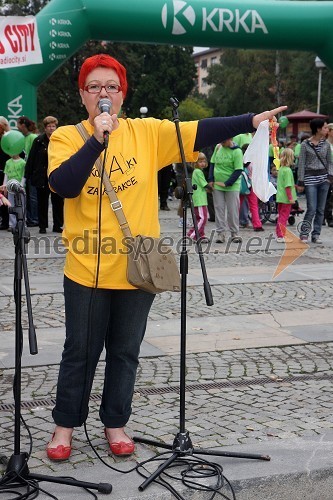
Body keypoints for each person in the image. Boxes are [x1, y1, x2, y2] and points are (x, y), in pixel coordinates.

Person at [45, 52, 287, 461]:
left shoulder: (148, 133)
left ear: (123, 94)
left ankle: (115, 422)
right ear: (82, 94)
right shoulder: (66, 137)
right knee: (80, 351)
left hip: (139, 266)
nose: (103, 94)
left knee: (126, 350)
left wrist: (251, 120)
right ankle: (65, 424)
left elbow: (199, 130)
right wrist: (95, 140)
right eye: (94, 87)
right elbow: (64, 185)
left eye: (111, 87)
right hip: (86, 268)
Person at [25, 116, 64, 234]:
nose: (51, 128)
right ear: (45, 128)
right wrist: (28, 174)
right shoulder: (38, 140)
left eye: (53, 126)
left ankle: (58, 225)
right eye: (49, 126)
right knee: (42, 202)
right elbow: (32, 158)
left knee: (58, 201)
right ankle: (42, 225)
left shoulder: (59, 139)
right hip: (41, 175)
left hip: (56, 174)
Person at [297, 118, 333, 243]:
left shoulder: (327, 144)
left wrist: (330, 177)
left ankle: (316, 234)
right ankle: (304, 233)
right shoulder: (304, 145)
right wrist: (300, 182)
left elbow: (330, 162)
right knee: (311, 208)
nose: (327, 130)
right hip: (309, 180)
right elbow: (301, 164)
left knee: (320, 209)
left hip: (324, 180)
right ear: (318, 129)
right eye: (325, 127)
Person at [209, 138, 243, 243]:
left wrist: (227, 183)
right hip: (217, 185)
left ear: (231, 139)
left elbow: (238, 170)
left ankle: (234, 233)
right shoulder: (218, 147)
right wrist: (210, 179)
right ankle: (220, 233)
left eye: (224, 141)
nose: (222, 143)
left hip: (232, 185)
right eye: (221, 141)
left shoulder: (237, 151)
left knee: (232, 210)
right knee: (219, 209)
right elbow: (212, 164)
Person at [17, 116, 38, 227]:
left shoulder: (33, 137)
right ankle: (29, 217)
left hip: (31, 170)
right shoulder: (22, 137)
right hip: (24, 170)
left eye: (18, 124)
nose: (17, 126)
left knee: (33, 196)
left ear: (23, 125)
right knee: (28, 195)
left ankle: (34, 218)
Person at [239, 144, 264, 232]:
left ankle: (233, 222)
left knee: (237, 205)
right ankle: (257, 225)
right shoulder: (254, 162)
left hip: (241, 185)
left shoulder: (240, 160)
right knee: (254, 206)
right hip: (251, 185)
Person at [187, 152, 210, 242]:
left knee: (199, 218)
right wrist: (211, 187)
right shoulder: (198, 171)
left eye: (204, 161)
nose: (203, 163)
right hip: (200, 199)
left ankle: (201, 235)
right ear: (195, 163)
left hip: (200, 199)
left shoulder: (198, 171)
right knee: (202, 218)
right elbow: (203, 183)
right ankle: (192, 234)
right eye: (200, 161)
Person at [275, 148, 297, 243]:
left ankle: (278, 234)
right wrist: (291, 198)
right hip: (286, 199)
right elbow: (288, 186)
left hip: (280, 197)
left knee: (281, 216)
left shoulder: (281, 169)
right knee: (284, 217)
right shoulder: (288, 171)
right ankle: (281, 235)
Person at [2, 152, 26, 230]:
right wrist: (4, 185)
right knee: (11, 205)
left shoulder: (23, 162)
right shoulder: (8, 162)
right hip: (10, 186)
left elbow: (23, 175)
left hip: (19, 186)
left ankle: (22, 223)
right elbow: (6, 174)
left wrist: (21, 185)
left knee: (22, 204)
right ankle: (12, 224)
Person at [0, 116, 10, 230]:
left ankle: (6, 221)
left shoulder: (7, 138)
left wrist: (7, 128)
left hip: (6, 170)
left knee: (4, 196)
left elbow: (20, 153)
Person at [323, 123, 333, 227]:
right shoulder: (325, 144)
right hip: (326, 173)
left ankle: (328, 217)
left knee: (331, 197)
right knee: (326, 196)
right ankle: (326, 217)